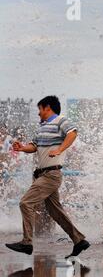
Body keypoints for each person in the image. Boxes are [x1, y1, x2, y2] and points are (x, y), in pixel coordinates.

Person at [5, 95, 90, 258]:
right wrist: (22, 148)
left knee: (25, 203)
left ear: (48, 107)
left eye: (40, 109)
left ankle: (26, 242)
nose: (38, 113)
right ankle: (79, 240)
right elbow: (34, 146)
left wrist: (60, 149)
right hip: (42, 175)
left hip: (51, 174)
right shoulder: (42, 127)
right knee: (55, 212)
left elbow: (73, 133)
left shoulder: (60, 120)